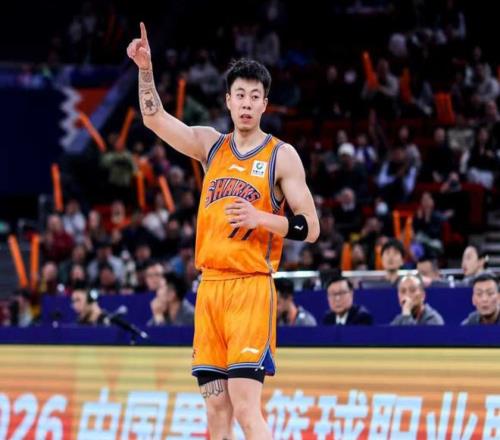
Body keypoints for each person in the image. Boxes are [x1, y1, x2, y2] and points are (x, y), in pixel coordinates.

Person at [127, 23, 319, 439]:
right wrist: (146, 70)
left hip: (250, 287)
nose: (247, 103)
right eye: (240, 95)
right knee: (216, 411)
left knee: (246, 408)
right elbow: (154, 118)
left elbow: (311, 228)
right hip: (210, 287)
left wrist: (260, 218)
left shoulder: (282, 156)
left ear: (265, 103)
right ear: (228, 100)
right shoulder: (211, 146)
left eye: (255, 96)